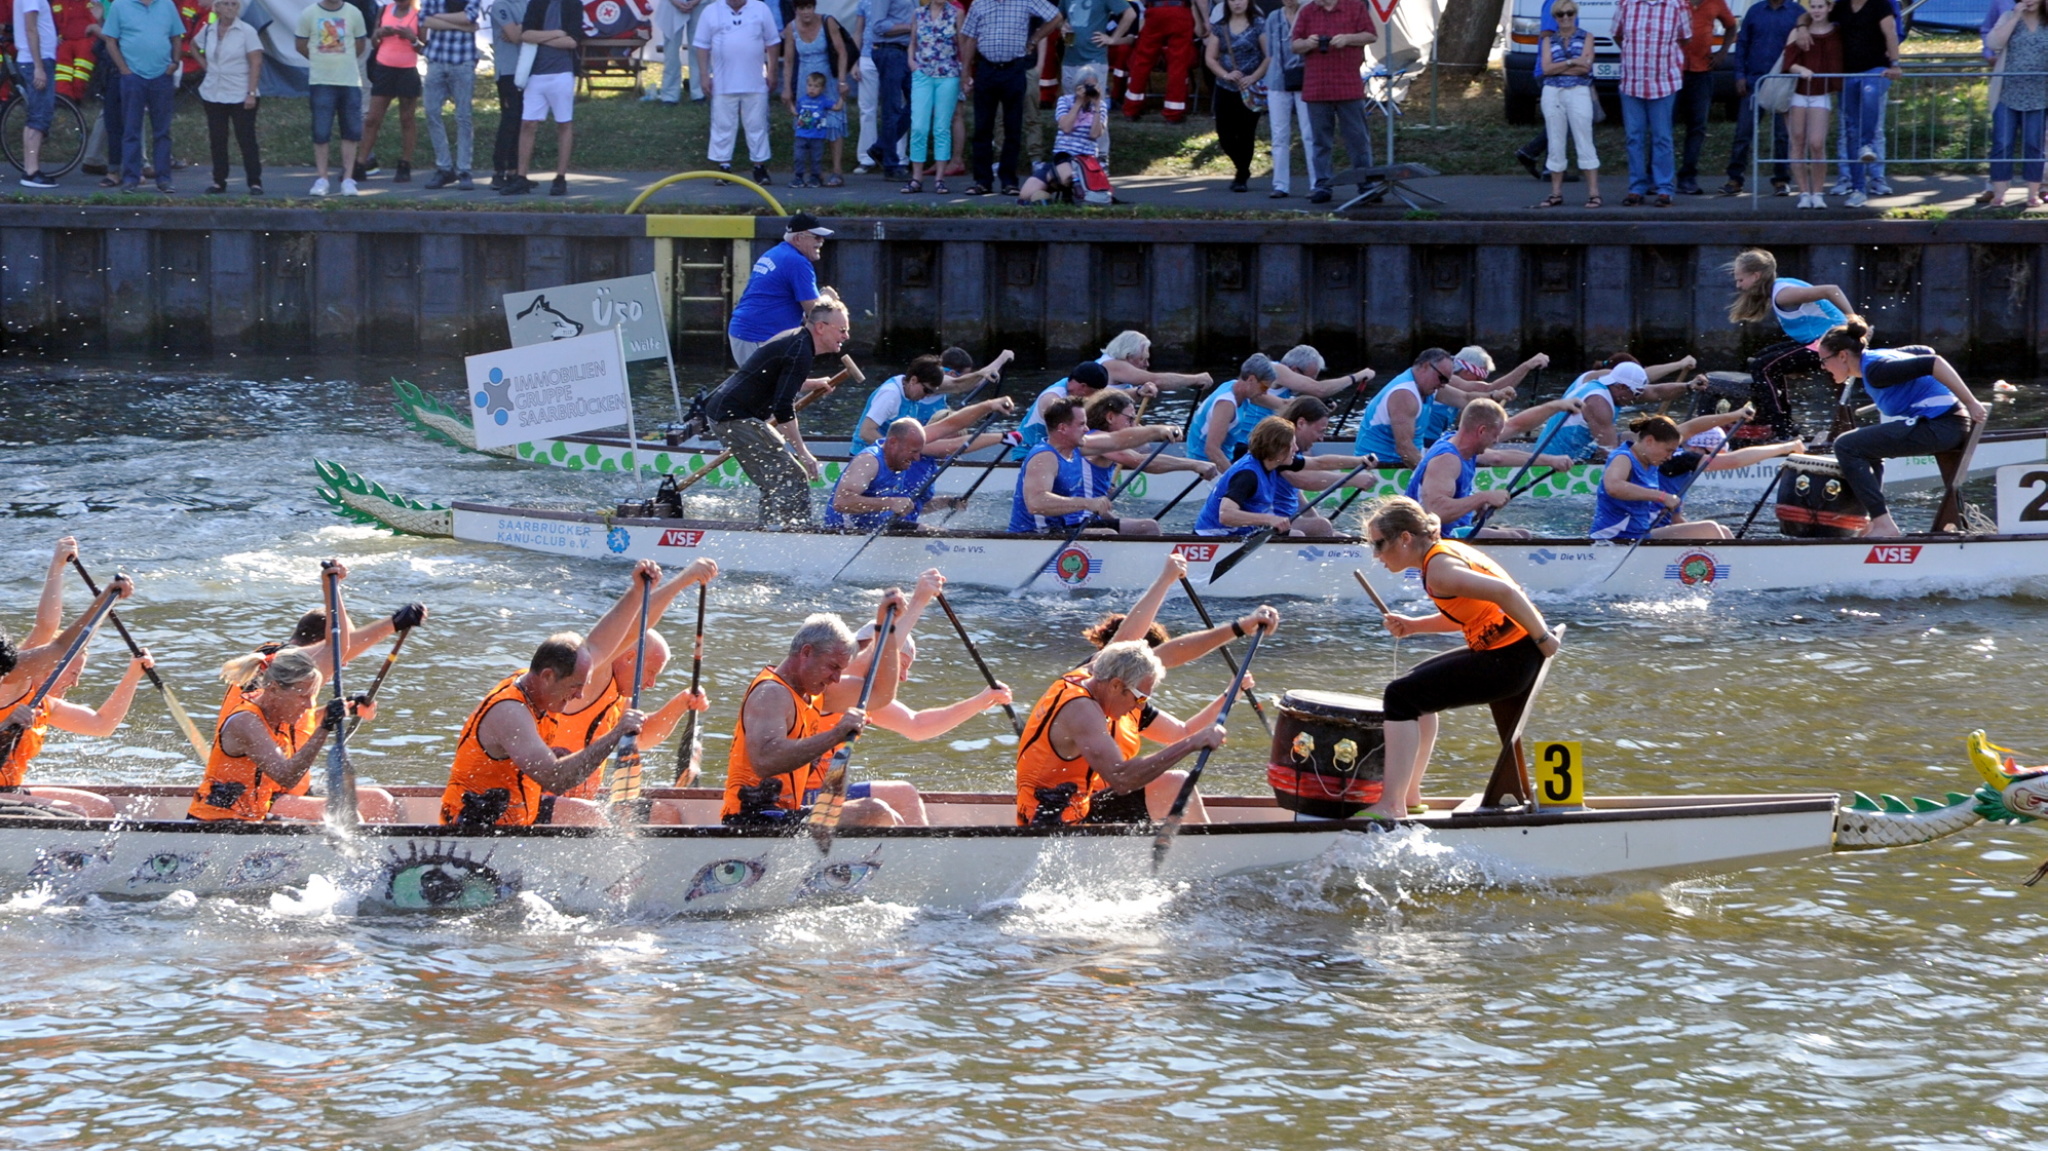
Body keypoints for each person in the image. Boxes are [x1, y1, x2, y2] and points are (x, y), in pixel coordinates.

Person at [1362, 496, 1563, 820]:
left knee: (1399, 697)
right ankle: (1408, 794)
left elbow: (1506, 593)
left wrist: (1542, 637)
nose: (1376, 555)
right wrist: (1414, 626)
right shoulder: (1441, 556)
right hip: (1510, 654)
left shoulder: (1440, 569)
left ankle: (1391, 805)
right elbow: (1469, 613)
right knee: (1412, 689)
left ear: (1405, 538)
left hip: (1510, 661)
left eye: (1379, 544)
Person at [440, 560, 670, 828]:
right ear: (548, 676)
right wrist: (616, 734)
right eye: (575, 687)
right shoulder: (510, 712)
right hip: (470, 833)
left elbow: (603, 642)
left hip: (513, 823)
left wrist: (637, 591)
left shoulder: (542, 685)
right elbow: (555, 779)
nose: (580, 695)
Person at [721, 592, 910, 826]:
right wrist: (835, 734)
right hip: (751, 819)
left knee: (895, 819)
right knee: (875, 811)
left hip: (783, 814)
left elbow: (881, 695)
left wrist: (885, 628)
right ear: (806, 652)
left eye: (841, 669)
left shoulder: (812, 693)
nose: (837, 678)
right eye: (832, 667)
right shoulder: (771, 693)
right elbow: (765, 761)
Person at [1014, 639, 1228, 826]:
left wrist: (1240, 628)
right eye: (1140, 698)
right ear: (1116, 685)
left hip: (1081, 806)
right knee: (1173, 782)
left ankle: (1203, 851)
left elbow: (1137, 642)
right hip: (1052, 826)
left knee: (1178, 783)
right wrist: (1191, 743)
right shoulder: (1081, 711)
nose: (1140, 708)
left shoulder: (1090, 674)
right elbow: (1122, 779)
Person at [1814, 321, 1989, 538]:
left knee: (1845, 445)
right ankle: (1871, 521)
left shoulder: (1877, 371)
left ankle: (1883, 525)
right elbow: (1923, 350)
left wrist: (1971, 402)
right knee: (1864, 447)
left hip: (1942, 426)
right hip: (1946, 425)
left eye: (1824, 360)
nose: (1823, 367)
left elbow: (1934, 361)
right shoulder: (1877, 359)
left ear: (1842, 356)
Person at [705, 295, 851, 527]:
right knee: (792, 475)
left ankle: (771, 530)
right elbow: (783, 409)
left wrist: (811, 383)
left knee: (775, 479)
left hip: (725, 412)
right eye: (842, 329)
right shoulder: (800, 351)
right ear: (821, 328)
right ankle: (795, 533)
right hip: (734, 417)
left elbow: (780, 380)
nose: (846, 336)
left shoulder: (798, 342)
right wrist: (803, 452)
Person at [1723, 247, 1855, 437]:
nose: (1738, 285)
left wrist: (1853, 319)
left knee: (1764, 367)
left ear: (1756, 276)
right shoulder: (1778, 287)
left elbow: (1831, 290)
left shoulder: (1783, 294)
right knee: (1759, 359)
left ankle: (1780, 429)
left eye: (1740, 279)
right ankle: (1781, 420)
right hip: (1820, 341)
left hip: (1834, 344)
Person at [1406, 399, 1577, 539]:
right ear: (1481, 431)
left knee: (1522, 533)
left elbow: (1500, 454)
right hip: (1430, 538)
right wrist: (1483, 497)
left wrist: (1550, 460)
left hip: (1453, 530)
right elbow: (1436, 512)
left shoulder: (1459, 443)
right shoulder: (1447, 460)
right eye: (1495, 435)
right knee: (1518, 537)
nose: (1496, 440)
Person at [1010, 396, 1160, 535]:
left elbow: (1117, 441)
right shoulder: (1044, 457)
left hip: (1060, 528)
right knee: (1108, 534)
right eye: (1081, 424)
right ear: (1062, 428)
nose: (1087, 429)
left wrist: (1159, 431)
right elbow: (1036, 503)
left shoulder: (1075, 448)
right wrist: (1088, 503)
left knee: (1149, 527)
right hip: (1034, 533)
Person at [960, 0, 1064, 197]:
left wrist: (1034, 39)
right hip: (986, 69)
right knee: (982, 128)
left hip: (1014, 69)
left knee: (1012, 127)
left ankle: (1009, 181)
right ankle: (982, 181)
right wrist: (965, 72)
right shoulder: (979, 3)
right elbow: (970, 38)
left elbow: (1056, 16)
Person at [1194, 415, 1344, 537]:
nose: (1297, 449)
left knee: (1323, 527)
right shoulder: (1247, 475)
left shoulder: (1274, 461)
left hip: (1244, 532)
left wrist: (1360, 461)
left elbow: (1319, 463)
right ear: (1278, 448)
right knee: (1296, 536)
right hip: (1213, 536)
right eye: (1292, 445)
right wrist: (1269, 519)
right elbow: (1225, 515)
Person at [1290, 0, 1376, 205]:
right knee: (1320, 141)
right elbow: (1294, 45)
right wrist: (1308, 43)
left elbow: (1371, 35)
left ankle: (1365, 184)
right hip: (1317, 87)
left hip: (1348, 85)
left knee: (1357, 138)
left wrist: (1348, 39)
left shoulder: (1355, 7)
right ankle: (1322, 185)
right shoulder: (1308, 11)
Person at [1533, 354, 1702, 458]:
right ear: (1622, 387)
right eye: (1634, 394)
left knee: (1643, 437)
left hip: (1579, 450)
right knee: (1646, 444)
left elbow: (1656, 392)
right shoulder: (1598, 403)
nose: (1634, 399)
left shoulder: (1611, 387)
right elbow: (1610, 453)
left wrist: (1688, 386)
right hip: (1556, 461)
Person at [826, 417, 977, 528]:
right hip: (846, 533)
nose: (917, 458)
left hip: (878, 528)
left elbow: (907, 506)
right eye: (914, 451)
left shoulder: (900, 461)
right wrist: (890, 503)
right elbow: (841, 502)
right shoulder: (869, 461)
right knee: (928, 531)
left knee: (930, 531)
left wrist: (947, 502)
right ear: (893, 443)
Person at [102, 0, 187, 192]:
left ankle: (164, 179)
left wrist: (174, 62)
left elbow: (176, 37)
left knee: (162, 131)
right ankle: (131, 179)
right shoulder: (120, 5)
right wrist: (124, 69)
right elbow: (110, 41)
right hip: (133, 77)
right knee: (131, 130)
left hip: (161, 76)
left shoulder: (166, 4)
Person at [695, 0, 781, 187]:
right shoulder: (710, 11)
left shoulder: (761, 9)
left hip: (756, 82)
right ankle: (724, 167)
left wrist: (772, 71)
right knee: (722, 125)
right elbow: (701, 46)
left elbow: (773, 42)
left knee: (757, 125)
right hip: (723, 82)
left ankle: (760, 168)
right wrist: (703, 75)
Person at [1613, 0, 1690, 207]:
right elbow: (1618, 34)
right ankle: (1636, 188)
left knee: (1662, 137)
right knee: (1634, 138)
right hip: (1632, 82)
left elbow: (1684, 38)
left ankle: (1664, 189)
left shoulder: (1676, 5)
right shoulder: (1626, 3)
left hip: (1663, 82)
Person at [726, 211, 829, 366]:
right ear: (798, 238)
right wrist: (829, 299)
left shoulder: (776, 253)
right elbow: (814, 313)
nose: (821, 241)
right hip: (758, 336)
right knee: (770, 388)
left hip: (748, 332)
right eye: (816, 236)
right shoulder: (797, 262)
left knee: (776, 387)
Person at [501, 0, 580, 196]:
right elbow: (526, 34)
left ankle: (560, 177)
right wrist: (555, 33)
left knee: (564, 124)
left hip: (562, 73)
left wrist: (540, 37)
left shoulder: (573, 4)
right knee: (527, 123)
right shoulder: (537, 3)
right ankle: (521, 177)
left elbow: (571, 41)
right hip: (536, 73)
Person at [1081, 390, 1217, 495]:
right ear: (1110, 417)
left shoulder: (1103, 439)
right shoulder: (1096, 439)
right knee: (1149, 527)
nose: (1134, 425)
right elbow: (1140, 461)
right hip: (1079, 514)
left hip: (1093, 507)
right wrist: (1193, 464)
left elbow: (1144, 448)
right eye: (1130, 419)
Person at [189, 0, 262, 194]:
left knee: (246, 138)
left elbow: (256, 62)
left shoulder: (247, 31)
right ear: (218, 8)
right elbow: (193, 45)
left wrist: (251, 93)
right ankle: (219, 181)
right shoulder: (209, 30)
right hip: (214, 92)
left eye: (234, 4)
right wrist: (206, 66)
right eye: (226, 4)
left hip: (240, 91)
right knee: (217, 139)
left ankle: (254, 181)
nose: (230, 8)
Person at [1534, 0, 1602, 209]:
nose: (1566, 17)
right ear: (1554, 18)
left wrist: (1560, 67)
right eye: (1560, 14)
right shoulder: (1548, 40)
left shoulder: (1587, 36)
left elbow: (1586, 68)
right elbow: (1546, 68)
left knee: (1584, 138)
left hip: (1578, 91)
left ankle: (1593, 193)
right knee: (1555, 140)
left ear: (1575, 14)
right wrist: (1573, 62)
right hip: (1552, 93)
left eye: (1570, 13)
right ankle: (1555, 193)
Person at [297, 0, 369, 195]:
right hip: (321, 81)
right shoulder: (309, 13)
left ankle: (348, 179)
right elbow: (301, 45)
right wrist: (320, 60)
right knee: (321, 132)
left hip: (349, 81)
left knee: (351, 131)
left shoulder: (354, 12)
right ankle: (322, 178)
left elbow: (360, 44)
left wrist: (343, 61)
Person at [1726, 0, 1798, 195]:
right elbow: (1742, 44)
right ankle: (1735, 179)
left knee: (1782, 135)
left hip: (1782, 82)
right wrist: (1739, 75)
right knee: (1743, 132)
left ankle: (1781, 180)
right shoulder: (1755, 11)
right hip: (1754, 82)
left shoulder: (1797, 12)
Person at [1982, 0, 2048, 209]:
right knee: (2002, 144)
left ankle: (2032, 194)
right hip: (2007, 94)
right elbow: (1993, 43)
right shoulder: (2008, 17)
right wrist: (2015, 17)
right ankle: (2000, 194)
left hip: (2039, 96)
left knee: (2034, 145)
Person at [1780, 0, 1841, 209]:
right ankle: (1804, 192)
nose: (1816, 11)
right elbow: (1788, 63)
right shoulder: (1798, 31)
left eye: (1820, 7)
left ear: (1829, 8)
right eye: (1813, 7)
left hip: (1820, 94)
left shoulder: (1837, 32)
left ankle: (1818, 192)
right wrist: (1801, 70)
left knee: (1816, 143)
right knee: (1797, 141)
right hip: (1798, 93)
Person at [783, 0, 852, 185]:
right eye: (801, 8)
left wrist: (843, 80)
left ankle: (837, 171)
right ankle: (811, 172)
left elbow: (842, 52)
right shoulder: (791, 28)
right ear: (796, 10)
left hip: (827, 75)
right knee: (807, 122)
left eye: (809, 7)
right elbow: (788, 60)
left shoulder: (827, 21)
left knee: (833, 121)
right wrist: (787, 88)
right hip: (805, 78)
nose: (806, 12)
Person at [356, 0, 424, 185]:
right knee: (372, 119)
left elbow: (423, 47)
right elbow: (376, 42)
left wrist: (412, 38)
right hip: (384, 69)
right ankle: (360, 163)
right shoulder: (384, 10)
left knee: (407, 119)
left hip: (407, 70)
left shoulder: (419, 13)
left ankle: (405, 164)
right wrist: (378, 34)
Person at [1675, 0, 1737, 195]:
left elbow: (1731, 26)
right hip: (1673, 71)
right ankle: (1656, 177)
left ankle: (1687, 177)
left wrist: (1723, 53)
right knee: (1664, 125)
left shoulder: (1716, 2)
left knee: (1697, 127)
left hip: (1702, 73)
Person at [417, 0, 480, 190]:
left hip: (463, 61)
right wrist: (463, 27)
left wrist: (439, 18)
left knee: (463, 116)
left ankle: (464, 170)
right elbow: (423, 20)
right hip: (436, 59)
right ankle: (445, 168)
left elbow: (469, 16)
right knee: (431, 112)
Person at [1206, 0, 1267, 192]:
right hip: (1225, 87)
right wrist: (1225, 75)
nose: (1237, 3)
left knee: (1246, 132)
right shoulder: (1220, 26)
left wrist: (1252, 78)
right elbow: (1210, 57)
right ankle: (1241, 166)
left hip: (1250, 88)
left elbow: (1268, 56)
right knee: (1225, 134)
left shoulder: (1259, 24)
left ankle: (1242, 174)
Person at [904, 0, 962, 192]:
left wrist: (965, 73)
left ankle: (940, 179)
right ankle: (916, 178)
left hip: (948, 74)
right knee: (919, 126)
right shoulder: (918, 13)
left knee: (941, 127)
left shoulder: (956, 13)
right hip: (923, 73)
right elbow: (912, 42)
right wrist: (911, 61)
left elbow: (962, 45)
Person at [1191, 352, 1280, 470]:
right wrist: (1233, 477)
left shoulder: (1235, 387)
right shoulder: (1226, 405)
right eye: (1264, 387)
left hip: (1224, 456)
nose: (1265, 393)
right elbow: (1211, 449)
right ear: (1251, 380)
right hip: (1204, 465)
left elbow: (1279, 404)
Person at [1264, 0, 1316, 198]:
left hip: (1305, 78)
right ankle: (1280, 185)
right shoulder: (1273, 17)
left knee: (1309, 133)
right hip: (1278, 80)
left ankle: (1316, 184)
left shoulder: (1309, 13)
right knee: (1279, 135)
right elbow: (1270, 50)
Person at [1118, 0, 1200, 123]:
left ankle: (1131, 108)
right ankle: (1173, 113)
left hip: (1155, 12)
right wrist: (1204, 22)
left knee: (1142, 61)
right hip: (1180, 12)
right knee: (1178, 64)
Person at [861, 0, 916, 178]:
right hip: (890, 50)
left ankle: (881, 147)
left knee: (918, 102)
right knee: (891, 107)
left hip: (907, 51)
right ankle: (891, 165)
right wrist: (910, 26)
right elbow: (878, 25)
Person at [14, 0, 63, 188]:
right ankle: (31, 171)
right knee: (39, 116)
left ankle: (30, 168)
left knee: (35, 115)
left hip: (36, 59)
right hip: (36, 59)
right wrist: (39, 67)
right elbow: (31, 29)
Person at [1097, 329, 1212, 391]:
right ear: (1128, 356)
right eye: (1143, 359)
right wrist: (1196, 379)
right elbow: (1157, 381)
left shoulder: (1109, 363)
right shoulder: (1112, 365)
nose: (1147, 364)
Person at [487, 0, 524, 187]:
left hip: (527, 70)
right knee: (510, 119)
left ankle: (515, 171)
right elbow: (513, 35)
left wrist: (523, 29)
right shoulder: (500, 5)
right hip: (508, 71)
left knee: (523, 122)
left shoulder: (530, 3)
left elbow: (521, 33)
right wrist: (530, 30)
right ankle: (498, 171)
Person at [651, 0, 705, 103]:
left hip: (700, 4)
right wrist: (676, 2)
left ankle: (699, 92)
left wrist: (694, 2)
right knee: (671, 51)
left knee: (698, 47)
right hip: (671, 4)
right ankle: (670, 94)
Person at [790, 70, 837, 185]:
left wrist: (843, 97)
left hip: (817, 135)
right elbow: (796, 113)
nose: (812, 89)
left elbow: (837, 107)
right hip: (801, 134)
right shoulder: (802, 100)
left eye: (816, 86)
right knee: (799, 156)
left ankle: (815, 177)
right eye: (810, 85)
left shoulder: (823, 101)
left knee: (816, 158)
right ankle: (798, 176)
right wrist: (789, 104)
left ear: (822, 88)